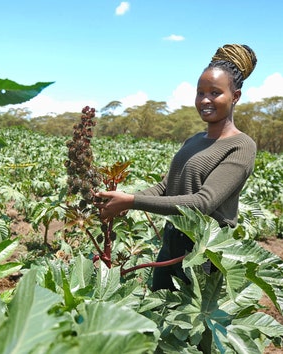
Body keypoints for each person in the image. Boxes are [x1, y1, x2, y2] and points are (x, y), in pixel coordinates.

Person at [94, 44, 258, 291]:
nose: (205, 100)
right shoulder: (193, 140)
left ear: (235, 97)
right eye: (200, 92)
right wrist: (119, 202)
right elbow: (165, 187)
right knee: (157, 316)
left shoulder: (241, 146)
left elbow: (203, 203)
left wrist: (130, 201)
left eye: (215, 93)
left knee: (186, 327)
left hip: (201, 254)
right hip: (171, 246)